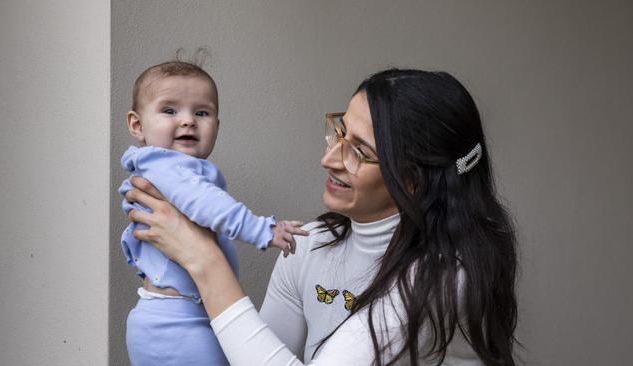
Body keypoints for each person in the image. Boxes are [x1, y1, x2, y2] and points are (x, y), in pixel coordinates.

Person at [125, 68, 519, 365]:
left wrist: (204, 259)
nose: (328, 158)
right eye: (339, 132)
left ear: (413, 180)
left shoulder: (441, 275)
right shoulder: (310, 245)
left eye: (359, 151)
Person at [119, 60, 308, 365]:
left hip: (174, 316)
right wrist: (264, 229)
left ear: (216, 127)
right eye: (169, 110)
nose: (188, 121)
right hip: (177, 323)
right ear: (137, 125)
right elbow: (207, 205)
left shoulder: (164, 168)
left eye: (201, 113)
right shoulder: (166, 164)